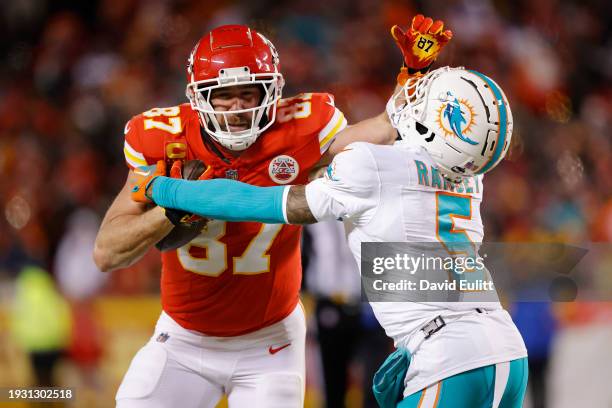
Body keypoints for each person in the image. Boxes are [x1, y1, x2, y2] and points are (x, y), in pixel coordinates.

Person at [94, 17, 452, 408]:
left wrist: (415, 76)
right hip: (183, 339)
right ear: (198, 98)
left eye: (249, 93)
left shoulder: (299, 130)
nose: (236, 107)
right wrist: (177, 207)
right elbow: (107, 251)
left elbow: (385, 128)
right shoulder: (165, 140)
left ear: (272, 90)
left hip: (270, 343)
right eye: (223, 94)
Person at [135, 66, 529, 407]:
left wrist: (163, 190)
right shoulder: (471, 176)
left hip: (448, 353)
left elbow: (259, 201)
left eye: (421, 97)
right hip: (505, 348)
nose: (413, 99)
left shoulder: (371, 165)